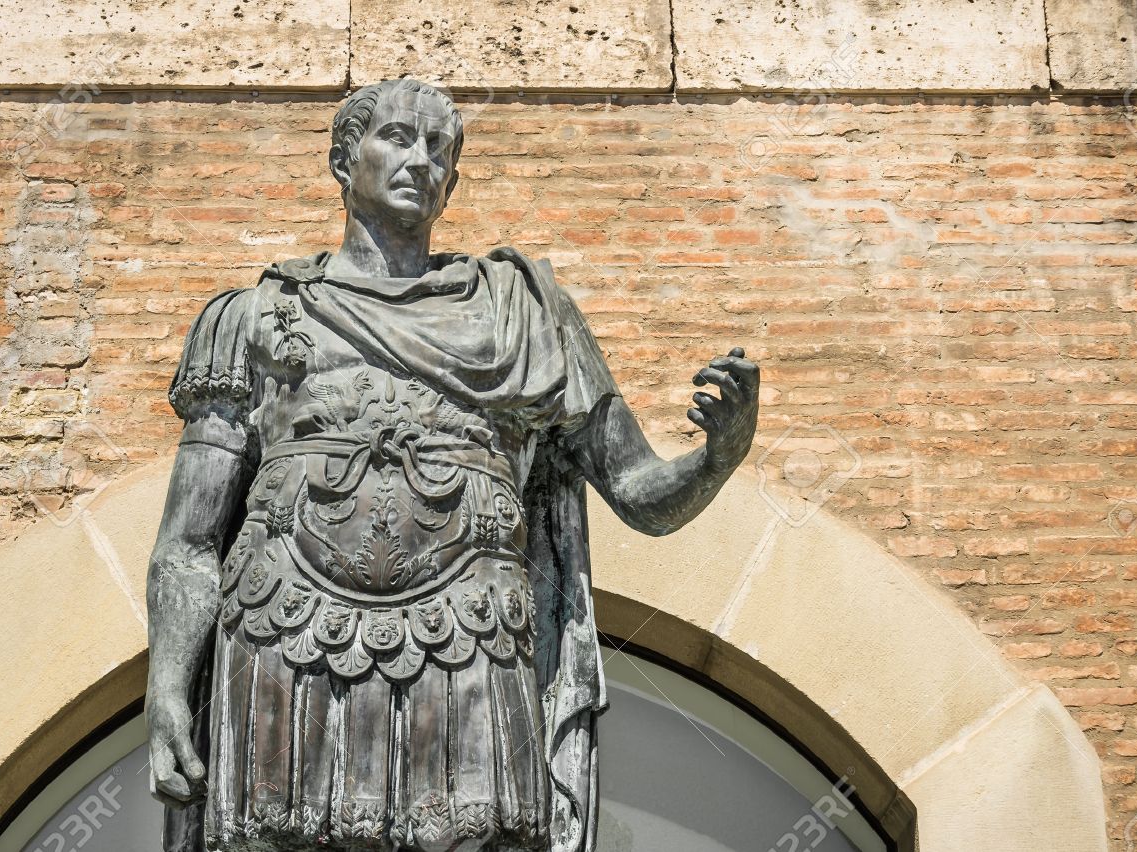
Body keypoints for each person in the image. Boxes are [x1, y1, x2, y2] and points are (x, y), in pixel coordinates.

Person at [145, 77, 759, 852]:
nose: (420, 161)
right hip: (286, 633)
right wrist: (167, 686)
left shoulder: (520, 315)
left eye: (438, 149)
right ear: (342, 160)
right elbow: (190, 541)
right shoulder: (254, 317)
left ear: (453, 183)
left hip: (469, 637)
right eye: (397, 137)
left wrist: (718, 458)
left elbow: (640, 493)